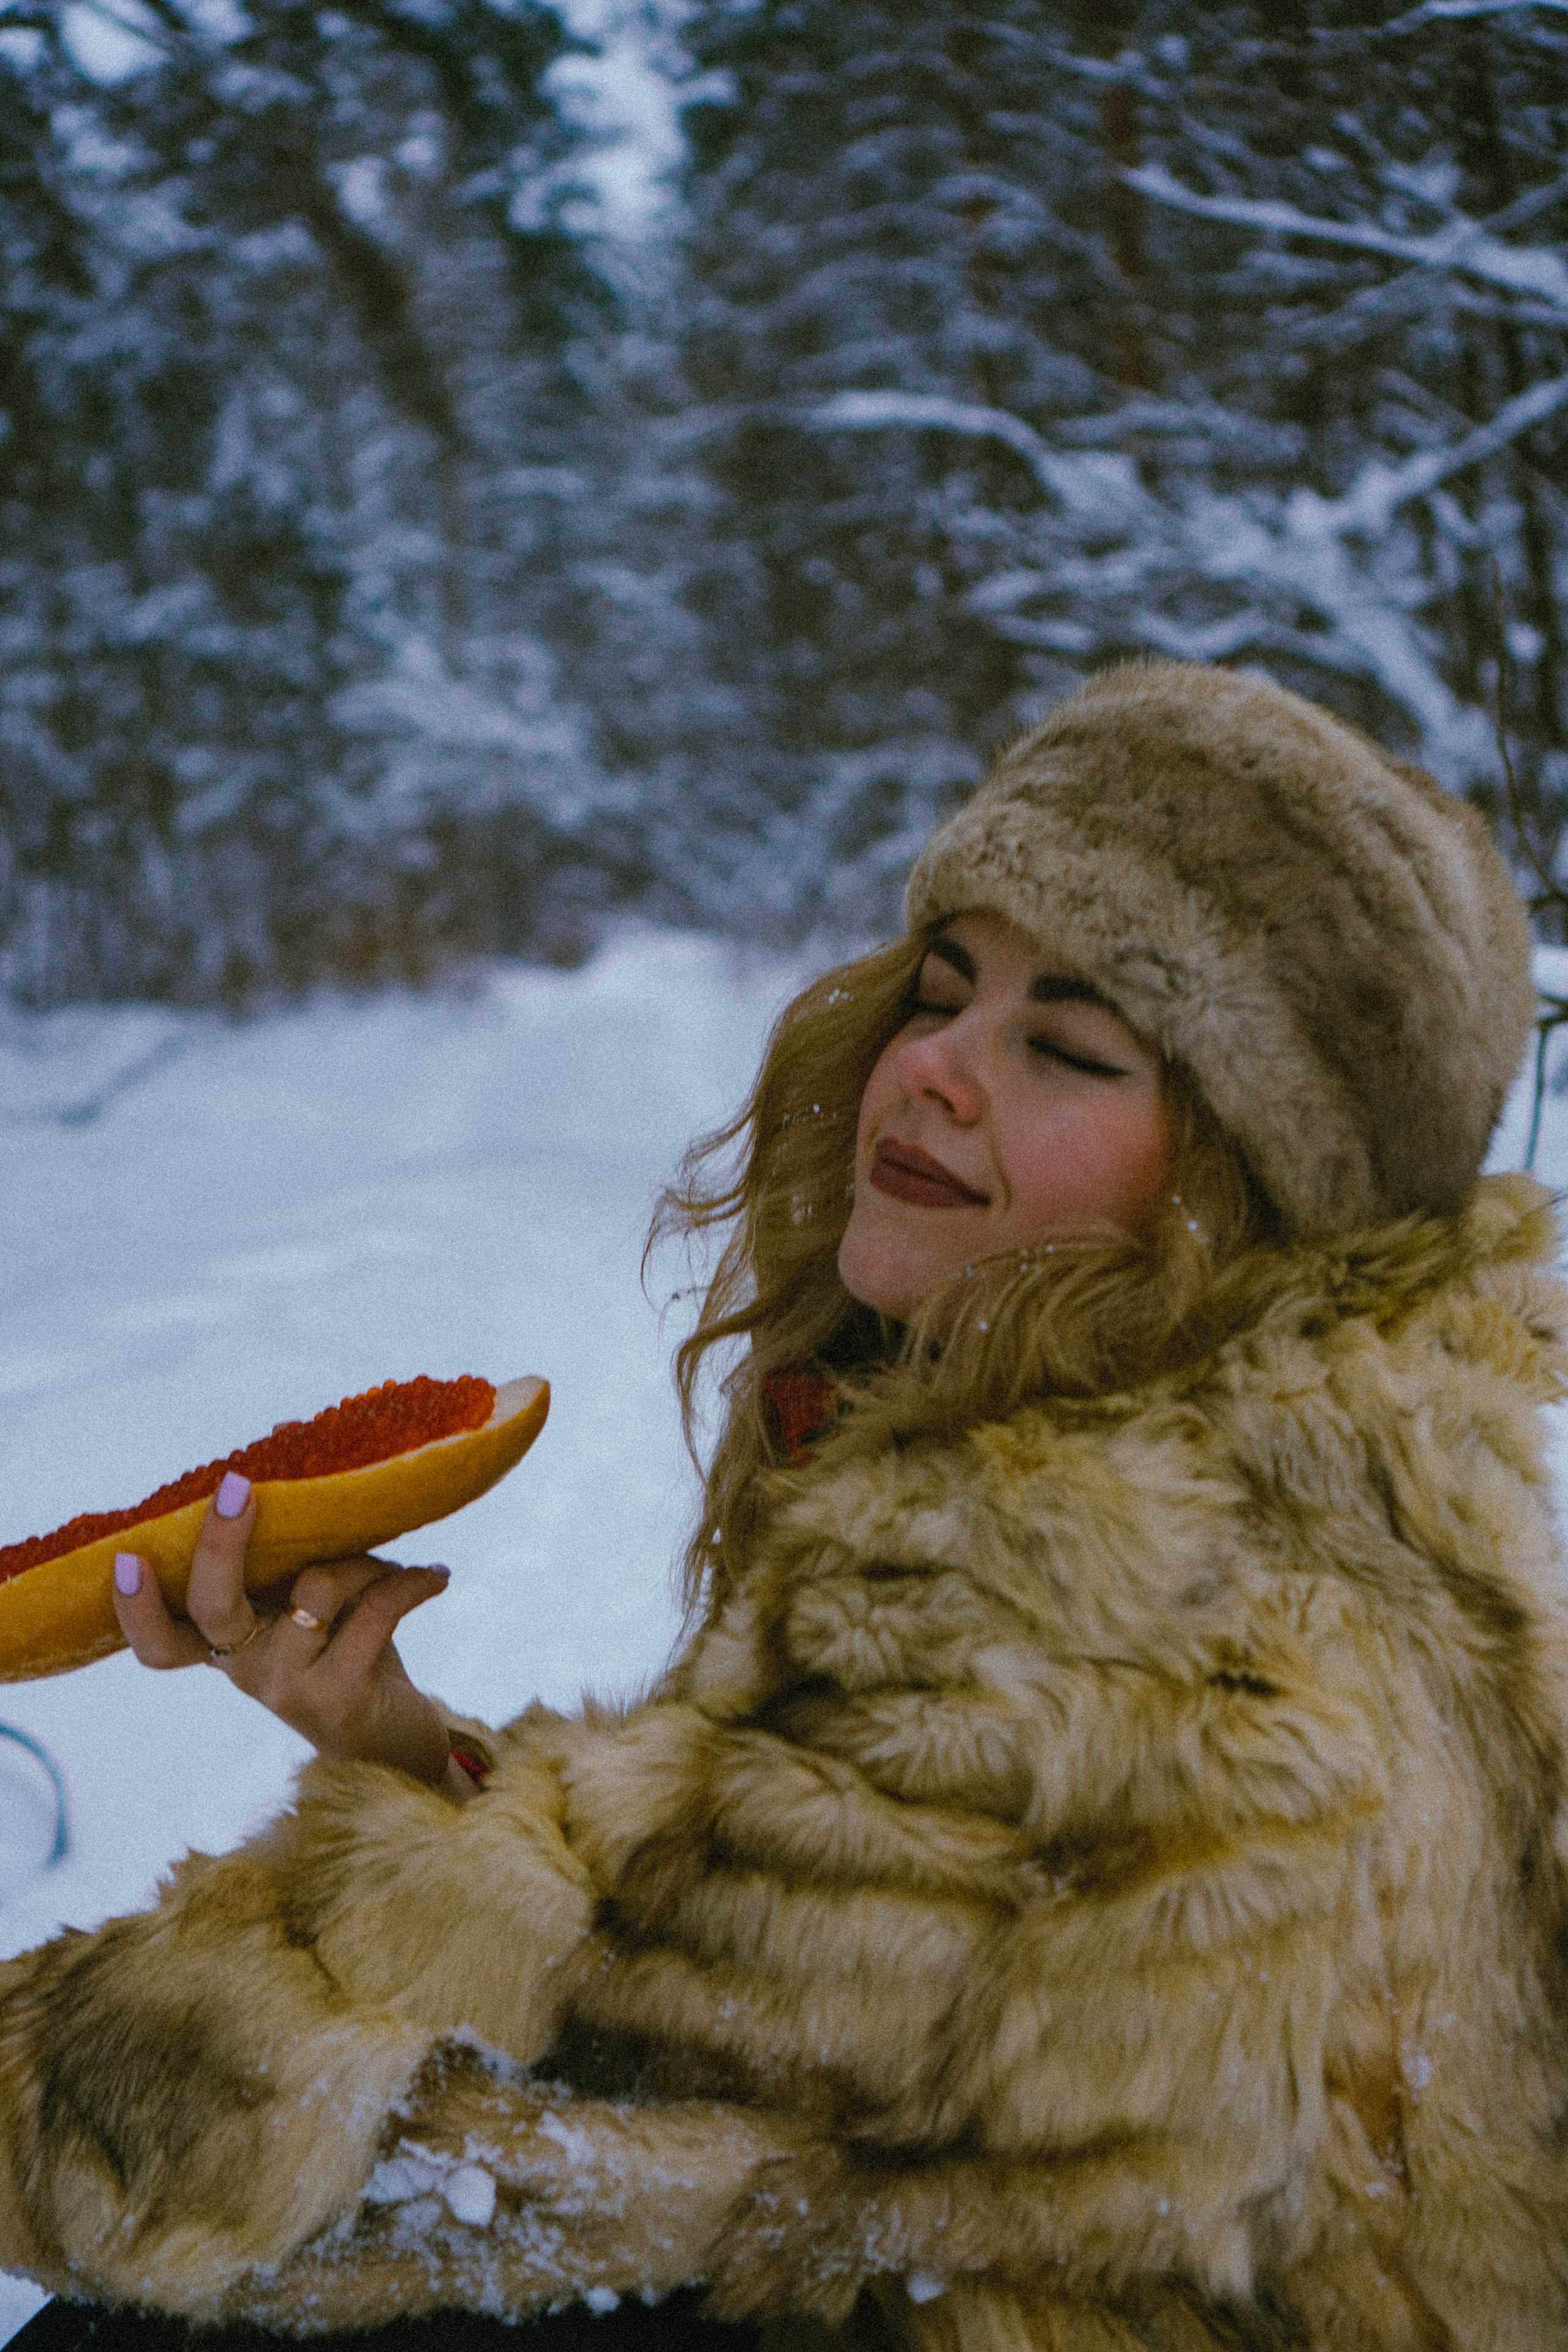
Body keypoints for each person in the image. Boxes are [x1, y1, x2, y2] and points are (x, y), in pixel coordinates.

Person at [1, 658, 1564, 2352]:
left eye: (1066, 1050)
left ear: (1239, 1191)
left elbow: (578, 2044)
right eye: (946, 990)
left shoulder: (1112, 1595)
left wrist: (65, 2077)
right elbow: (733, 1962)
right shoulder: (1334, 1471)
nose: (940, 1072)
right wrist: (392, 1746)